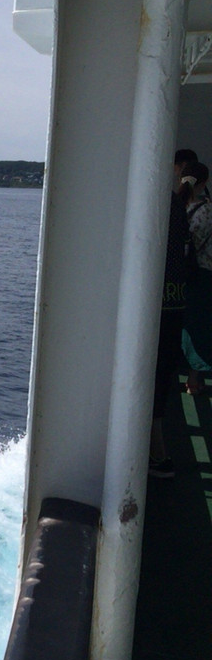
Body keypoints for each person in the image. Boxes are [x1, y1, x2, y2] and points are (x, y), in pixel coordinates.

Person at [150, 158, 193, 478]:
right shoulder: (178, 209)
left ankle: (158, 454)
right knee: (162, 375)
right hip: (174, 302)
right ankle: (158, 451)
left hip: (159, 304)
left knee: (153, 377)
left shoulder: (158, 207)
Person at [182, 162, 212, 394]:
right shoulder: (208, 210)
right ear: (204, 183)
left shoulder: (175, 206)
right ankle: (195, 377)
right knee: (200, 325)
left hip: (179, 274)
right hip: (202, 274)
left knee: (185, 327)